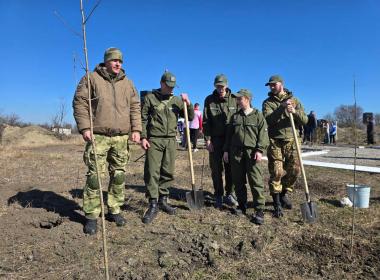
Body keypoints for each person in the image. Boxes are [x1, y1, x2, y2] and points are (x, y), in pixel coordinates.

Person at [73, 47, 142, 235]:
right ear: (106, 61)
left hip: (121, 138)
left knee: (119, 175)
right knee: (95, 176)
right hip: (99, 136)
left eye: (120, 61)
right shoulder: (92, 78)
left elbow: (135, 107)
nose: (118, 63)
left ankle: (115, 209)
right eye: (114, 60)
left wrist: (136, 129)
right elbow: (80, 102)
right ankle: (91, 216)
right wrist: (85, 127)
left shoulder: (128, 83)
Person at [140, 72, 194, 224]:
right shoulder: (150, 98)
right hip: (154, 140)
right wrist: (143, 137)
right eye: (168, 86)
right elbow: (143, 118)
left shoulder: (177, 100)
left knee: (168, 171)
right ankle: (153, 203)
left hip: (170, 140)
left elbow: (190, 117)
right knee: (152, 171)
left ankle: (163, 199)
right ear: (162, 83)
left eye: (173, 87)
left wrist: (188, 103)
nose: (171, 89)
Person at [262, 75, 308, 218]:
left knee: (295, 170)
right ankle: (276, 203)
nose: (271, 87)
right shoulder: (267, 103)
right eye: (270, 85)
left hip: (292, 140)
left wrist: (294, 112)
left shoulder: (295, 101)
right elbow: (268, 120)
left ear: (281, 84)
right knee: (277, 172)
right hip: (275, 141)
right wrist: (281, 108)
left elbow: (305, 120)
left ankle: (283, 194)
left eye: (273, 84)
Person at [223, 89, 269, 225]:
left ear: (247, 99)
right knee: (238, 181)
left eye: (239, 99)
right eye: (237, 99)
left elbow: (263, 135)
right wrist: (226, 151)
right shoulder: (235, 117)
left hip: (252, 153)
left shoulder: (258, 116)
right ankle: (242, 205)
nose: (237, 101)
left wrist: (260, 150)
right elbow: (229, 135)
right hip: (236, 153)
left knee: (256, 181)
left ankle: (259, 209)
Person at [203, 74, 238, 209]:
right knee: (216, 169)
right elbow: (206, 121)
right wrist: (208, 140)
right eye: (218, 86)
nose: (220, 88)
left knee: (231, 169)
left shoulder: (235, 99)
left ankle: (230, 193)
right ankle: (218, 193)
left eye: (222, 86)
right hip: (216, 140)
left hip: (231, 141)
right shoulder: (209, 100)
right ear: (215, 86)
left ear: (227, 85)